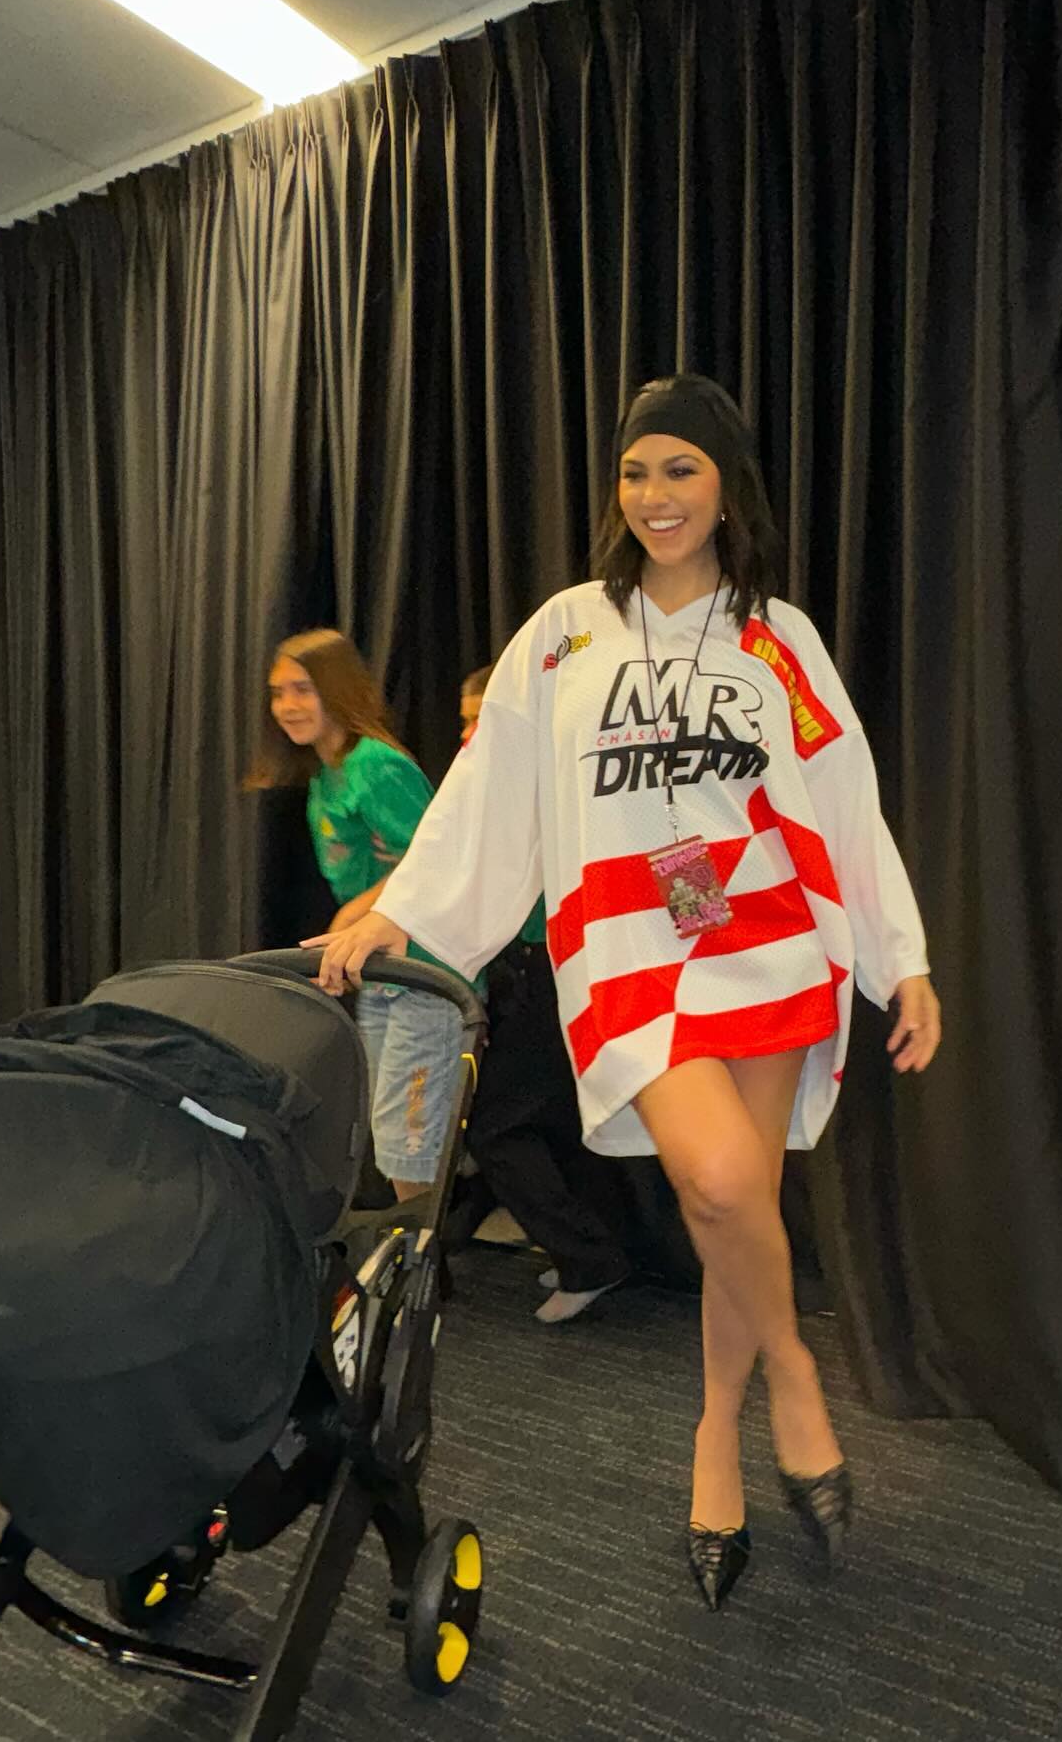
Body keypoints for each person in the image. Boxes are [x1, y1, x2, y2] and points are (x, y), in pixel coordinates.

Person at [305, 375, 942, 1610]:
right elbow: (489, 789)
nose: (655, 496)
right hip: (631, 949)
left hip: (766, 939)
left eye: (682, 470)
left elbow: (846, 795)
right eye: (637, 471)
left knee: (735, 1206)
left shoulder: (779, 637)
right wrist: (403, 910)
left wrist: (896, 954)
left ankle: (715, 1440)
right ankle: (797, 1377)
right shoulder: (566, 631)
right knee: (714, 1179)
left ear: (725, 486)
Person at [257, 630, 463, 1202]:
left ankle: (418, 1269)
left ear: (336, 688)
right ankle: (413, 1260)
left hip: (424, 970)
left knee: (409, 1139)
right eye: (278, 693)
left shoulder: (375, 765)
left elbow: (437, 852)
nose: (287, 706)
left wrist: (356, 910)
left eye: (303, 689)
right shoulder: (327, 773)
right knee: (390, 1130)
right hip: (382, 970)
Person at [457, 665, 634, 1324]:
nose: (471, 732)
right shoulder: (505, 790)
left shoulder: (568, 784)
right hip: (537, 971)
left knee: (499, 1124)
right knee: (557, 1120)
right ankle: (595, 1251)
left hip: (569, 971)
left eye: (485, 717)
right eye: (465, 720)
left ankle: (592, 1258)